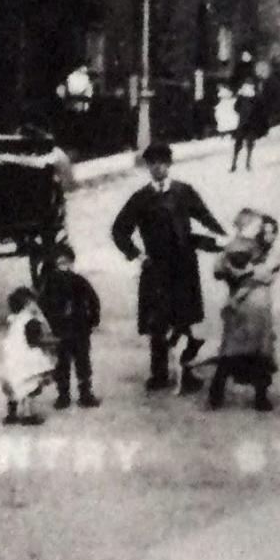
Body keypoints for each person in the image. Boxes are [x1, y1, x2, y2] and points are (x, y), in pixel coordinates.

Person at [108, 141, 222, 393]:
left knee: (184, 318)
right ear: (148, 167)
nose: (158, 167)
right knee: (157, 323)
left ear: (170, 164)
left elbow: (205, 217)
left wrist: (223, 237)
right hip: (156, 268)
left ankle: (187, 372)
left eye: (162, 162)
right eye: (152, 163)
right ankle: (158, 374)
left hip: (183, 265)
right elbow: (119, 231)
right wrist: (138, 256)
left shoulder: (184, 192)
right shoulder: (141, 199)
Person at [203, 209, 280, 412]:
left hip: (243, 305)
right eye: (261, 229)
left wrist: (236, 285)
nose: (265, 234)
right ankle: (259, 398)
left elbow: (219, 271)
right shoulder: (257, 251)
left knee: (232, 351)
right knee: (259, 352)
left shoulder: (233, 249)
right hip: (255, 305)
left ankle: (217, 394)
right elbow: (262, 275)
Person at [35, 242, 101, 409]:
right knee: (61, 364)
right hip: (60, 331)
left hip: (80, 329)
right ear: (54, 266)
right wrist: (47, 323)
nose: (65, 266)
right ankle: (63, 395)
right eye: (61, 263)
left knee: (83, 362)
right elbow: (43, 305)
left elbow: (93, 300)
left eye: (68, 262)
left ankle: (85, 393)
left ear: (72, 263)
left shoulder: (79, 281)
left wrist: (93, 319)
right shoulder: (49, 284)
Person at [0, 287, 56, 426]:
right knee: (31, 386)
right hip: (27, 358)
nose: (35, 305)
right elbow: (35, 341)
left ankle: (11, 414)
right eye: (32, 302)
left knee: (14, 386)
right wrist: (53, 342)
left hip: (12, 357)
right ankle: (28, 414)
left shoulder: (15, 319)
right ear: (27, 305)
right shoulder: (31, 321)